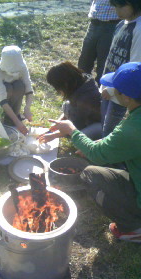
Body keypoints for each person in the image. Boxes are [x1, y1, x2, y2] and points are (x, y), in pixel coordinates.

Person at [41, 62, 141, 242]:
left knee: (91, 174)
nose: (111, 91)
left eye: (115, 89)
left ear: (126, 96)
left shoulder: (133, 128)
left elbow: (97, 154)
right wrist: (103, 142)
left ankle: (134, 227)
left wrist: (71, 130)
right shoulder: (135, 121)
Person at [100, 0, 141, 137]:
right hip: (109, 86)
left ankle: (108, 157)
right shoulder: (121, 24)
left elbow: (136, 68)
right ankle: (101, 152)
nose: (117, 11)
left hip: (122, 93)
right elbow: (112, 54)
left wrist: (114, 89)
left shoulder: (139, 29)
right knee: (104, 124)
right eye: (115, 6)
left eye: (122, 6)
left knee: (111, 131)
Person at [41, 61, 101, 143]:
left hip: (97, 125)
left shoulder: (85, 99)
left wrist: (54, 135)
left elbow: (74, 128)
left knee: (78, 141)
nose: (57, 91)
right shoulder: (79, 82)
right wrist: (59, 123)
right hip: (84, 118)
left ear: (65, 84)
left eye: (57, 88)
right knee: (66, 105)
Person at [0, 45, 34, 135]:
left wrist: (27, 108)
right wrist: (17, 122)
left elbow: (28, 87)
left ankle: (12, 117)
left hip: (12, 88)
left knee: (20, 86)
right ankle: (2, 119)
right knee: (7, 88)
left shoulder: (22, 66)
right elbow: (2, 99)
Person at [78, 0, 120, 85]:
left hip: (111, 25)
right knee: (84, 61)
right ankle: (82, 90)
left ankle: (100, 93)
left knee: (104, 64)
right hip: (94, 24)